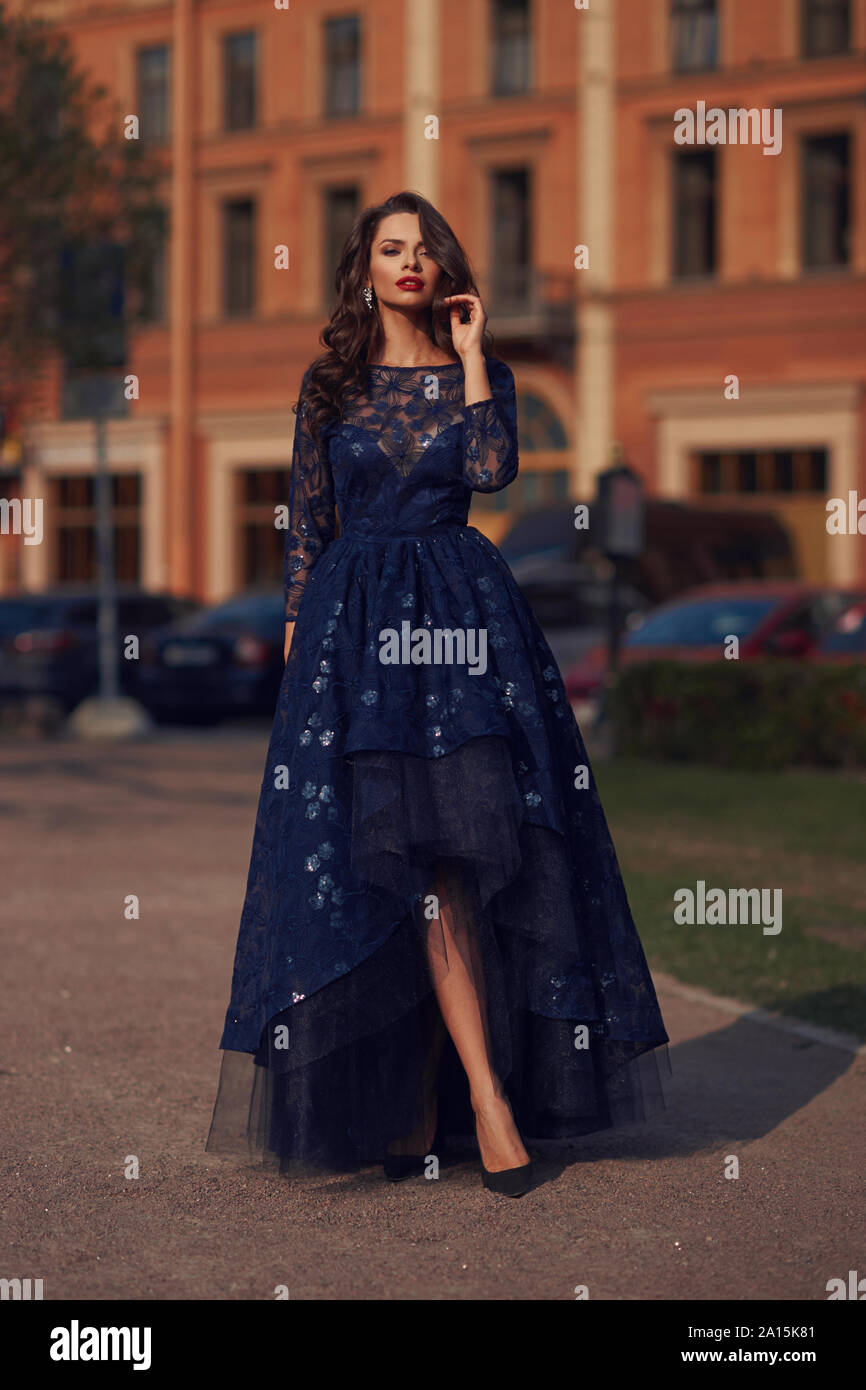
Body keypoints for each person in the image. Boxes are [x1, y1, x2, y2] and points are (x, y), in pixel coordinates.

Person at [206, 191, 671, 1197]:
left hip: (461, 627)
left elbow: (496, 470)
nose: (410, 262)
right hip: (353, 632)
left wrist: (469, 354)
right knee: (377, 867)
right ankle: (419, 1097)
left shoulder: (482, 375)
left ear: (442, 269)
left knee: (459, 854)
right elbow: (305, 521)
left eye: (424, 249)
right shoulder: (327, 385)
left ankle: (487, 1097)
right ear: (363, 268)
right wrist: (299, 631)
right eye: (391, 248)